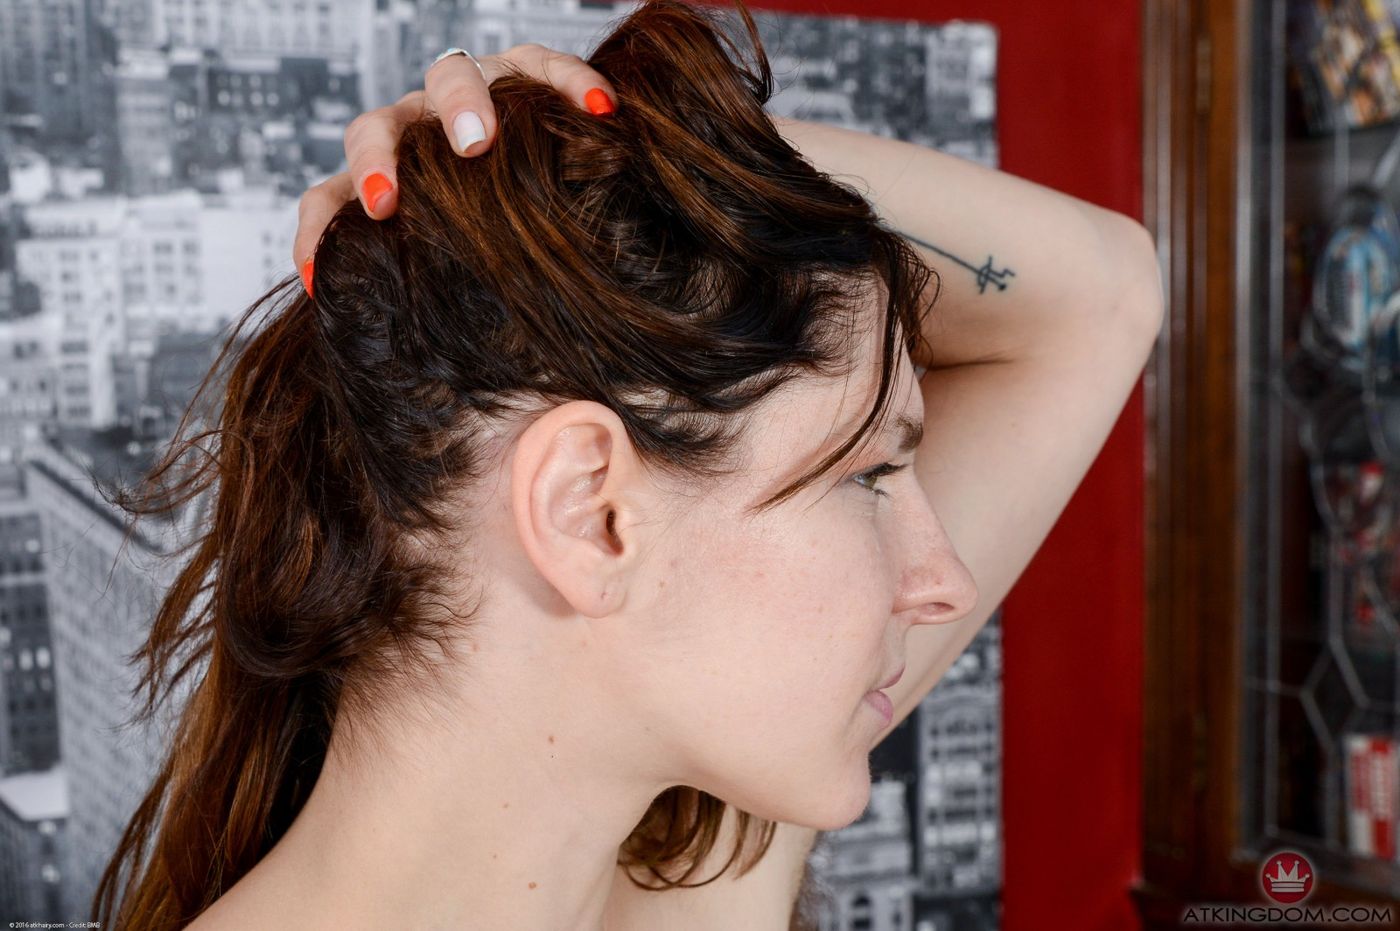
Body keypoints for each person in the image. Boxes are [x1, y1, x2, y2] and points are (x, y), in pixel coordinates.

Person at [93, 1, 1163, 929]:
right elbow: (1098, 293)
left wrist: (576, 157)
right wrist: (624, 165)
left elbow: (1109, 289)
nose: (945, 582)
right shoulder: (712, 881)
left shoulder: (707, 859)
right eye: (865, 475)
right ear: (589, 512)